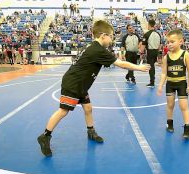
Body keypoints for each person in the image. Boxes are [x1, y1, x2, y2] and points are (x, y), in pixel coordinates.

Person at [37, 20, 150, 157]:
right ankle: (45, 136)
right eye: (111, 36)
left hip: (81, 84)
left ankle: (91, 131)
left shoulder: (95, 47)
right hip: (74, 84)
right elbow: (120, 63)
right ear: (103, 35)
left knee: (88, 108)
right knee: (63, 111)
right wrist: (139, 67)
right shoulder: (97, 50)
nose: (112, 40)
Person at [156, 30, 189, 139]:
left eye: (172, 41)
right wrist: (160, 85)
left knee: (183, 106)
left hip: (182, 83)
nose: (169, 44)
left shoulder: (185, 54)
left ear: (180, 41)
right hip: (170, 84)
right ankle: (169, 123)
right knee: (170, 105)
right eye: (168, 42)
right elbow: (164, 73)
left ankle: (187, 128)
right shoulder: (166, 57)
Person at [141, 19, 161, 88]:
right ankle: (152, 81)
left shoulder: (147, 34)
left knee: (151, 67)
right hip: (156, 51)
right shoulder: (158, 34)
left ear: (149, 25)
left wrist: (141, 52)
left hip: (150, 52)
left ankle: (152, 82)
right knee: (152, 66)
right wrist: (159, 56)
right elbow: (160, 46)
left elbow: (142, 47)